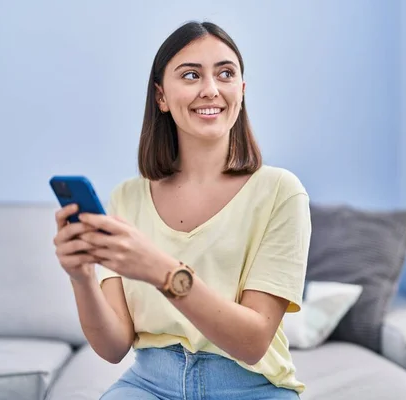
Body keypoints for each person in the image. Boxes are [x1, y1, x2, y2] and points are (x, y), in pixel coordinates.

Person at [53, 21, 311, 400]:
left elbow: (253, 341)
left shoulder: (280, 192)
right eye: (190, 75)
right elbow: (113, 347)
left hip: (252, 387)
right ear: (161, 96)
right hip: (148, 384)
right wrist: (81, 277)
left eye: (225, 73)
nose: (210, 89)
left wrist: (161, 270)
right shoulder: (127, 199)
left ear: (241, 90)